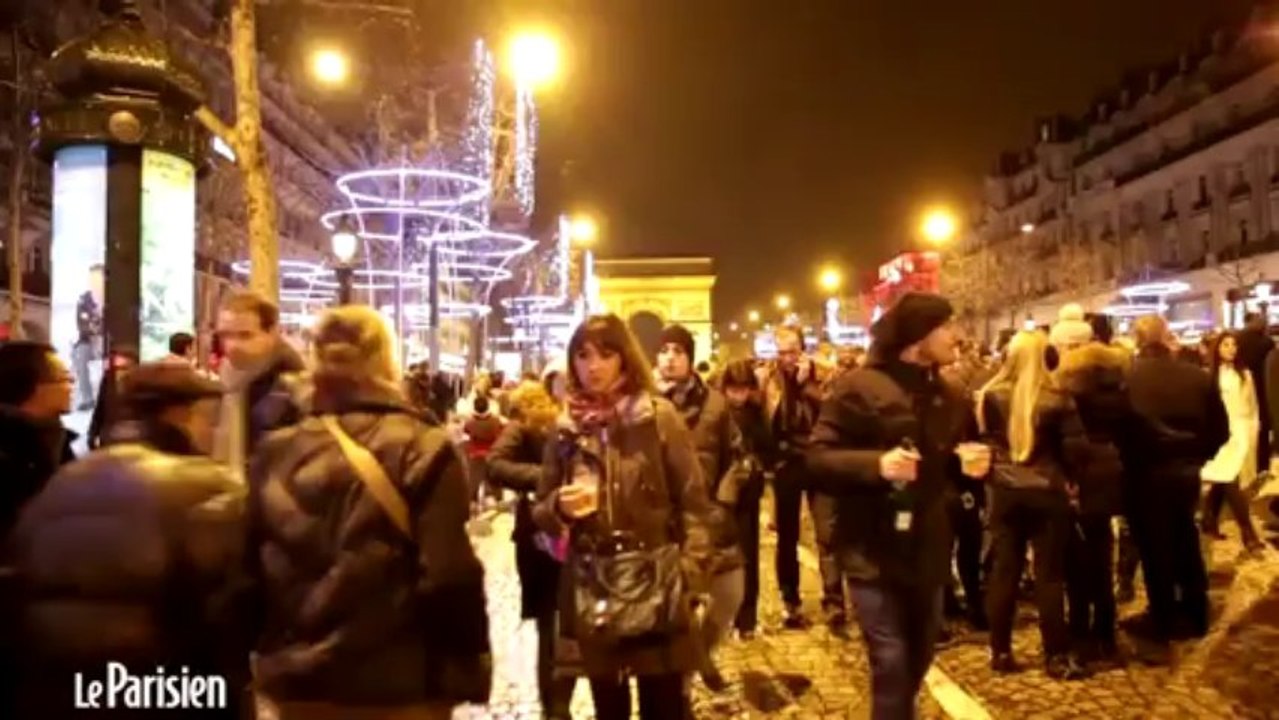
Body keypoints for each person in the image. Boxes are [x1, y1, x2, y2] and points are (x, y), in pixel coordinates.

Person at [249, 305, 490, 720]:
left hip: (300, 684)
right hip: (397, 682)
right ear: (386, 360)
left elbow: (248, 569)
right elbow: (448, 572)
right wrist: (467, 667)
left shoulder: (275, 451)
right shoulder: (423, 447)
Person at [7, 362, 248, 718]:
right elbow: (232, 603)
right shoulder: (208, 485)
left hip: (61, 684)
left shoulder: (65, 480)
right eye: (208, 418)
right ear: (182, 414)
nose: (213, 430)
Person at [534, 314, 714, 720]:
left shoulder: (657, 417)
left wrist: (690, 574)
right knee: (608, 710)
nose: (592, 366)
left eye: (605, 354)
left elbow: (694, 504)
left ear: (625, 358)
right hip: (594, 582)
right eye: (582, 356)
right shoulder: (566, 428)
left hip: (656, 579)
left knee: (663, 707)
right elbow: (540, 508)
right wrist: (559, 509)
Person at [808, 293, 979, 718]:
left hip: (929, 547)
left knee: (919, 655)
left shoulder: (953, 393)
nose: (955, 336)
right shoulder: (858, 387)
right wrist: (876, 465)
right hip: (871, 547)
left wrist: (970, 463)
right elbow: (817, 459)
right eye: (944, 326)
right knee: (891, 660)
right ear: (917, 336)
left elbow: (947, 461)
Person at [977, 330, 1093, 680]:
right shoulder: (1057, 397)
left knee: (1004, 573)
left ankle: (999, 650)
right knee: (1050, 577)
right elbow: (1077, 450)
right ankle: (1055, 655)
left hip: (1006, 493)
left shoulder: (990, 395)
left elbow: (980, 441)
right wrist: (1072, 476)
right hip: (1047, 491)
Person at [1125, 315, 1228, 664]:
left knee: (1155, 548)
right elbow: (1221, 430)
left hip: (1144, 473)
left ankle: (1164, 616)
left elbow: (1122, 431)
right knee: (1185, 536)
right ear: (1167, 338)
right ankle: (1195, 611)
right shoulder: (1197, 377)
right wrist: (1198, 457)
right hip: (1185, 471)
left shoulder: (1128, 379)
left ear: (1138, 340)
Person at [656, 324, 741, 689]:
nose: (670, 357)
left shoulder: (717, 404)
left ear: (690, 358)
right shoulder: (644, 405)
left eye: (678, 350)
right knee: (674, 613)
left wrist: (724, 501)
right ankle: (680, 691)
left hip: (710, 517)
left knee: (729, 596)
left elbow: (737, 456)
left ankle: (697, 655)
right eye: (664, 351)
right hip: (664, 526)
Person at [487, 380, 575, 720]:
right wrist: (547, 477)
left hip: (586, 536)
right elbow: (496, 464)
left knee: (580, 625)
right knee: (548, 624)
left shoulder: (596, 416)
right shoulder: (527, 422)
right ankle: (555, 709)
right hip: (539, 538)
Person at [1054, 331, 1131, 668]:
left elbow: (1067, 442)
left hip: (1081, 476)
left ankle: (1081, 632)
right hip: (1110, 474)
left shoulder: (1070, 395)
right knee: (1102, 554)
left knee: (1076, 560)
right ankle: (1106, 633)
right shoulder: (1119, 393)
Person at [756, 324, 840, 630]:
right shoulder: (767, 379)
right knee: (787, 535)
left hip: (818, 459)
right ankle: (790, 600)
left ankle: (834, 601)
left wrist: (807, 387)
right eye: (781, 352)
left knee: (827, 532)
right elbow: (763, 420)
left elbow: (833, 412)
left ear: (803, 349)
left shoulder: (824, 374)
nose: (786, 359)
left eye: (792, 352)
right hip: (786, 462)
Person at [213, 291, 305, 482]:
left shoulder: (291, 384)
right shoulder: (232, 375)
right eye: (225, 335)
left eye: (245, 336)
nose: (232, 346)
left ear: (272, 332)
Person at [719, 358, 777, 640]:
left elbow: (769, 446)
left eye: (743, 389)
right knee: (723, 557)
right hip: (721, 493)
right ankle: (727, 615)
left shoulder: (755, 412)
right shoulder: (716, 412)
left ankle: (747, 618)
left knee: (749, 556)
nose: (738, 395)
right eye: (733, 389)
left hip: (748, 493)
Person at [1200, 331, 1266, 558]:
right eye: (1226, 344)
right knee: (1229, 479)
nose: (1231, 348)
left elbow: (1253, 406)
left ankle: (1208, 519)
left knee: (1225, 478)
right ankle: (1248, 533)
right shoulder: (1209, 375)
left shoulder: (1244, 374)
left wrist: (1254, 430)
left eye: (1234, 344)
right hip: (1221, 434)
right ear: (1217, 348)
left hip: (1241, 431)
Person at [0, 341, 77, 537]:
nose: (72, 385)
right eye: (65, 378)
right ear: (34, 386)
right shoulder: (9, 449)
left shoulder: (56, 439)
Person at [1236, 312, 1273, 471]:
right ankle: (1262, 467)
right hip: (1264, 390)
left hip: (1241, 389)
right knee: (1263, 430)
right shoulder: (1267, 342)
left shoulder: (1237, 339)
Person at [464, 394, 506, 511]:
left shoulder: (470, 423)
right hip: (492, 455)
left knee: (474, 482)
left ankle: (473, 504)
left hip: (475, 455)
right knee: (494, 482)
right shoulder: (496, 421)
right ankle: (496, 504)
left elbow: (465, 432)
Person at [71, 264, 104, 411]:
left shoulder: (112, 297)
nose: (95, 282)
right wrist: (92, 331)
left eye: (98, 278)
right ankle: (87, 398)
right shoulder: (84, 300)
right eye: (92, 279)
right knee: (79, 355)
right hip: (89, 340)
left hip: (108, 339)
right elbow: (80, 322)